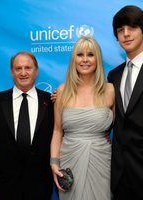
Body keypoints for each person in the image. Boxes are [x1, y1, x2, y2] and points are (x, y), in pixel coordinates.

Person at [0, 51, 54, 200]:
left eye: (28, 68)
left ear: (36, 71)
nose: (23, 73)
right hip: (3, 187)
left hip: (40, 188)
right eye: (18, 68)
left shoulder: (51, 102)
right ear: (12, 71)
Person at [50, 36, 115, 200]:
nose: (85, 60)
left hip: (102, 160)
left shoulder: (110, 90)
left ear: (97, 59)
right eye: (80, 55)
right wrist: (54, 162)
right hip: (70, 160)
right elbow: (57, 131)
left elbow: (120, 127)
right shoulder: (62, 91)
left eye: (90, 55)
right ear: (74, 59)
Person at [107, 5, 143, 200]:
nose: (126, 34)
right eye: (120, 30)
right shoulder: (114, 75)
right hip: (120, 174)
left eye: (132, 28)